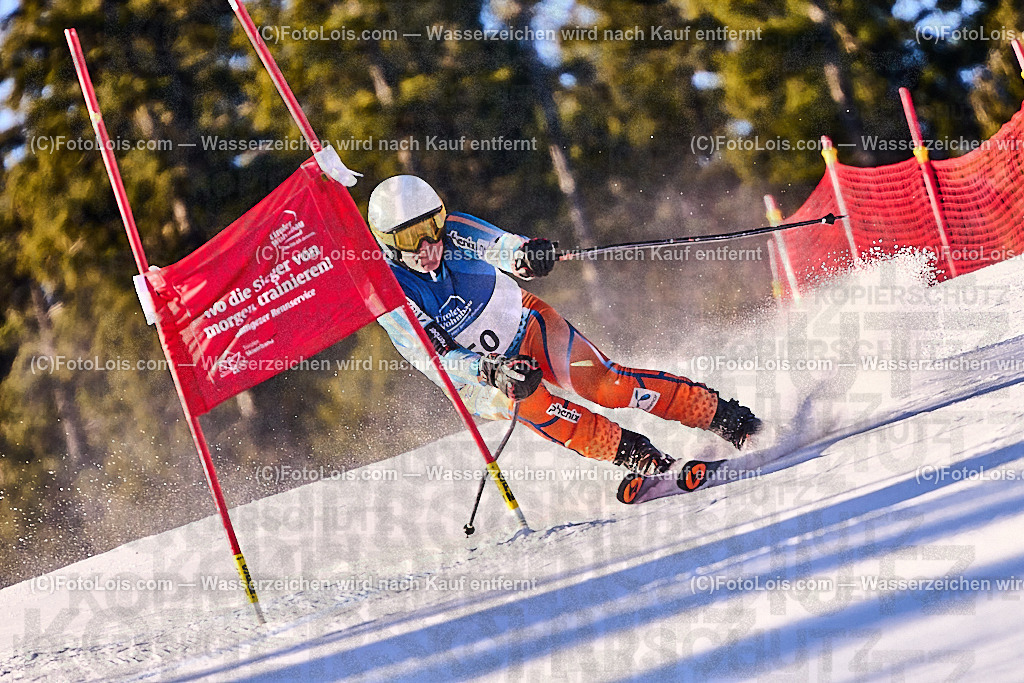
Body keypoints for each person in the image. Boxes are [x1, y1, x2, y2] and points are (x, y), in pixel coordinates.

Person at [371, 175, 761, 476]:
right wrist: (490, 370)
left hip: (526, 324)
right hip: (478, 379)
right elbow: (437, 356)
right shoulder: (389, 291)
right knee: (535, 402)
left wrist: (528, 255)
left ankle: (728, 419)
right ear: (387, 242)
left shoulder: (454, 231)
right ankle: (645, 460)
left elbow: (503, 246)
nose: (427, 246)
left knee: (607, 385)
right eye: (409, 237)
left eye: (431, 227)